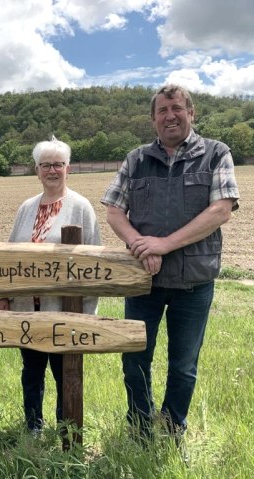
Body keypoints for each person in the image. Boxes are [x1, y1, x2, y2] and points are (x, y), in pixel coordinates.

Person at [101, 85, 240, 446]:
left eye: (176, 108)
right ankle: (140, 428)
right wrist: (137, 242)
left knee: (183, 366)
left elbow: (220, 210)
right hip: (142, 281)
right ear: (153, 119)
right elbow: (115, 210)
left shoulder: (215, 154)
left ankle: (174, 427)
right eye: (162, 110)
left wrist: (164, 244)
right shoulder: (136, 159)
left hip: (194, 281)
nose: (169, 115)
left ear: (191, 113)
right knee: (134, 360)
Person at [0, 137, 101, 434]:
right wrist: (5, 296)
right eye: (46, 165)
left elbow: (94, 260)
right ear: (37, 169)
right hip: (28, 309)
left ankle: (66, 427)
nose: (52, 170)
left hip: (64, 310)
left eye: (58, 164)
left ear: (68, 168)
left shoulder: (81, 207)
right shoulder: (26, 208)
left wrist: (86, 311)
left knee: (65, 372)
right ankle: (34, 427)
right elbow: (10, 255)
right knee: (32, 372)